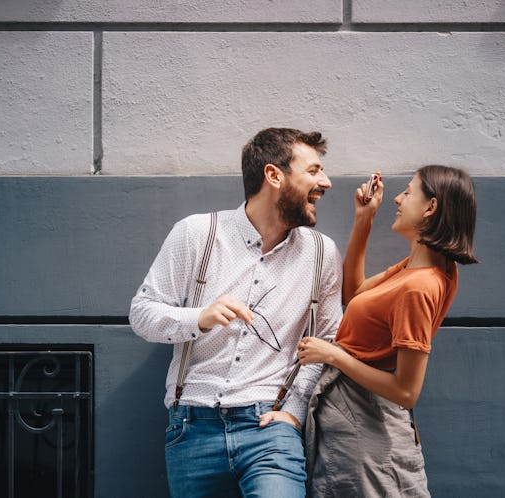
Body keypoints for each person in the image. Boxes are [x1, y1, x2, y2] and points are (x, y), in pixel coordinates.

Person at [129, 128, 343, 498]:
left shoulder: (321, 253)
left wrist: (292, 412)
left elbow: (326, 342)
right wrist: (199, 318)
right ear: (274, 175)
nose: (325, 182)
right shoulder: (199, 233)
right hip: (191, 426)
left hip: (269, 429)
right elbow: (142, 313)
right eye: (313, 171)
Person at [298, 165, 478, 497]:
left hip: (364, 423)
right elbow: (354, 294)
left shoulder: (419, 287)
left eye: (408, 192)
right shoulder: (423, 268)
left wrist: (334, 355)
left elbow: (406, 391)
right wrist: (364, 219)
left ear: (431, 207)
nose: (397, 198)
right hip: (356, 421)